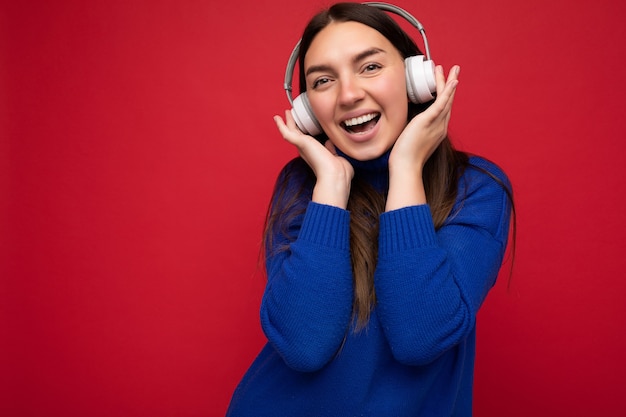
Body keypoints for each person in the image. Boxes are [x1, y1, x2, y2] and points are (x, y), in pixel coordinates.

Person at [226, 2, 514, 416]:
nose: (348, 95)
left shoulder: (476, 189)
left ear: (416, 76)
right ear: (308, 110)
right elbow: (305, 346)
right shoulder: (302, 187)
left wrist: (406, 168)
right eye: (323, 80)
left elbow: (420, 336)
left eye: (370, 67)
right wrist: (330, 189)